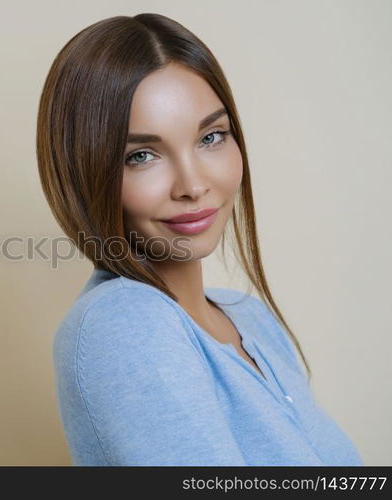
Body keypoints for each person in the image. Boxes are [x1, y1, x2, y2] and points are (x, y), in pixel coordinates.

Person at [35, 13, 364, 466]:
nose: (192, 184)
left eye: (211, 137)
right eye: (142, 156)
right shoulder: (122, 322)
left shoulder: (251, 319)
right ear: (83, 173)